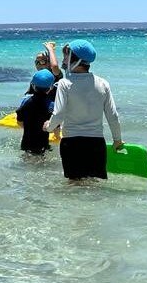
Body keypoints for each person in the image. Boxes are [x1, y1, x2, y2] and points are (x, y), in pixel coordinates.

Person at [43, 39, 124, 179]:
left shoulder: (64, 84)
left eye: (66, 56)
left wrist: (48, 127)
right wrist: (117, 139)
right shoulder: (103, 83)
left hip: (72, 143)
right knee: (96, 186)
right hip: (96, 144)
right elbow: (113, 115)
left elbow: (59, 114)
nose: (64, 60)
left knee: (74, 187)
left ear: (76, 60)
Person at [16, 69, 56, 155]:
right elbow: (54, 126)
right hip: (42, 144)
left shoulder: (25, 101)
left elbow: (19, 122)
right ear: (51, 87)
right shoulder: (51, 105)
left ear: (33, 85)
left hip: (26, 144)